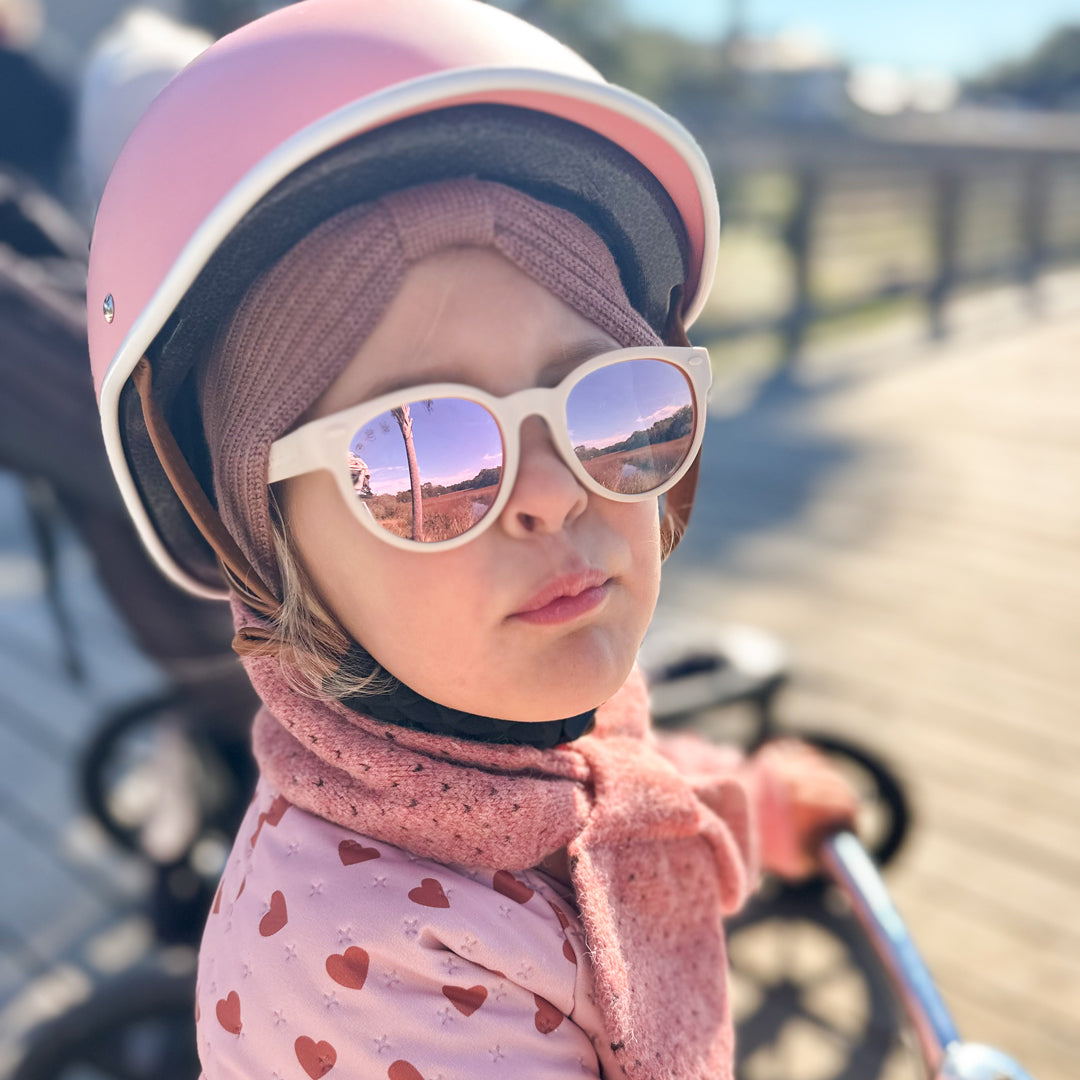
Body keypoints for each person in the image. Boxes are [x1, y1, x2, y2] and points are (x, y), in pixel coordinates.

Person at [85, 2, 856, 1076]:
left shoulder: (515, 709)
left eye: (610, 402)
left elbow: (618, 775)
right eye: (421, 454)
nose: (554, 495)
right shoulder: (362, 962)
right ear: (268, 552)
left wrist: (759, 804)